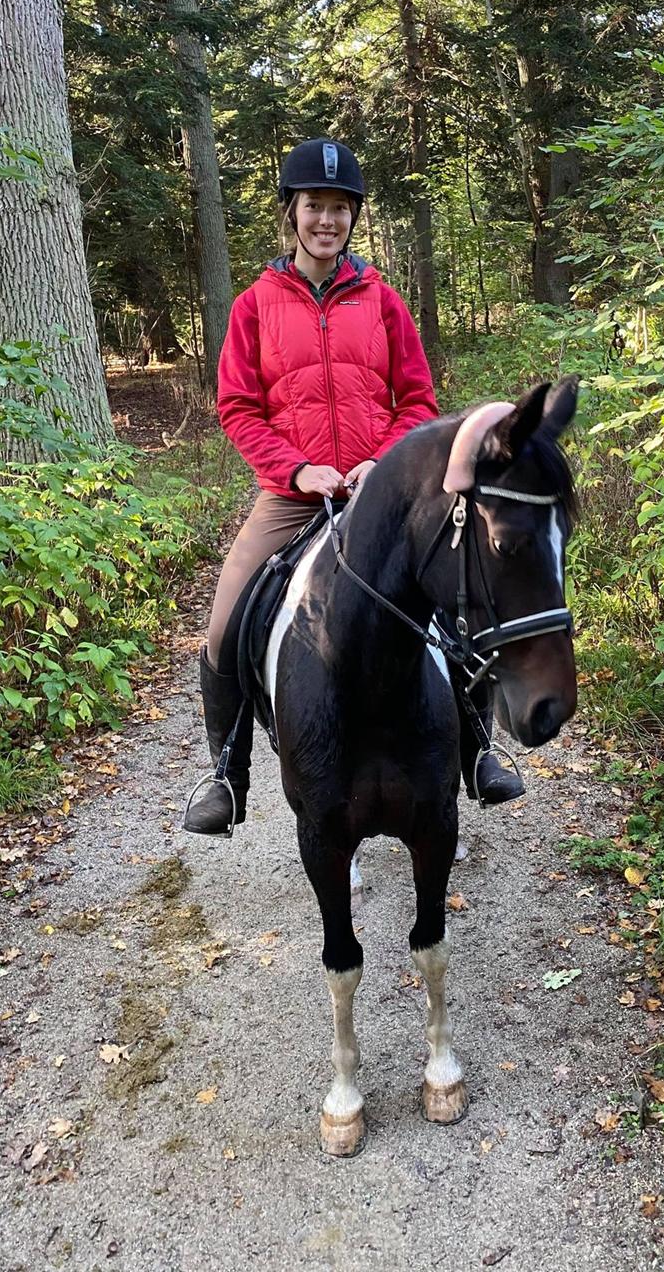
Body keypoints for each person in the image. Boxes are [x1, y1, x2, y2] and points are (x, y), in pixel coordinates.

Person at [185, 138, 525, 835]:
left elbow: (419, 399)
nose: (327, 221)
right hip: (292, 495)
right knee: (224, 626)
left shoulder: (383, 300)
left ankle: (480, 749)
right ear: (292, 213)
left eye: (340, 209)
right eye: (315, 206)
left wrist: (383, 459)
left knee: (462, 592)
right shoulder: (255, 305)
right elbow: (238, 407)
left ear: (353, 218)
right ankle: (225, 773)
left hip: (385, 492)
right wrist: (296, 469)